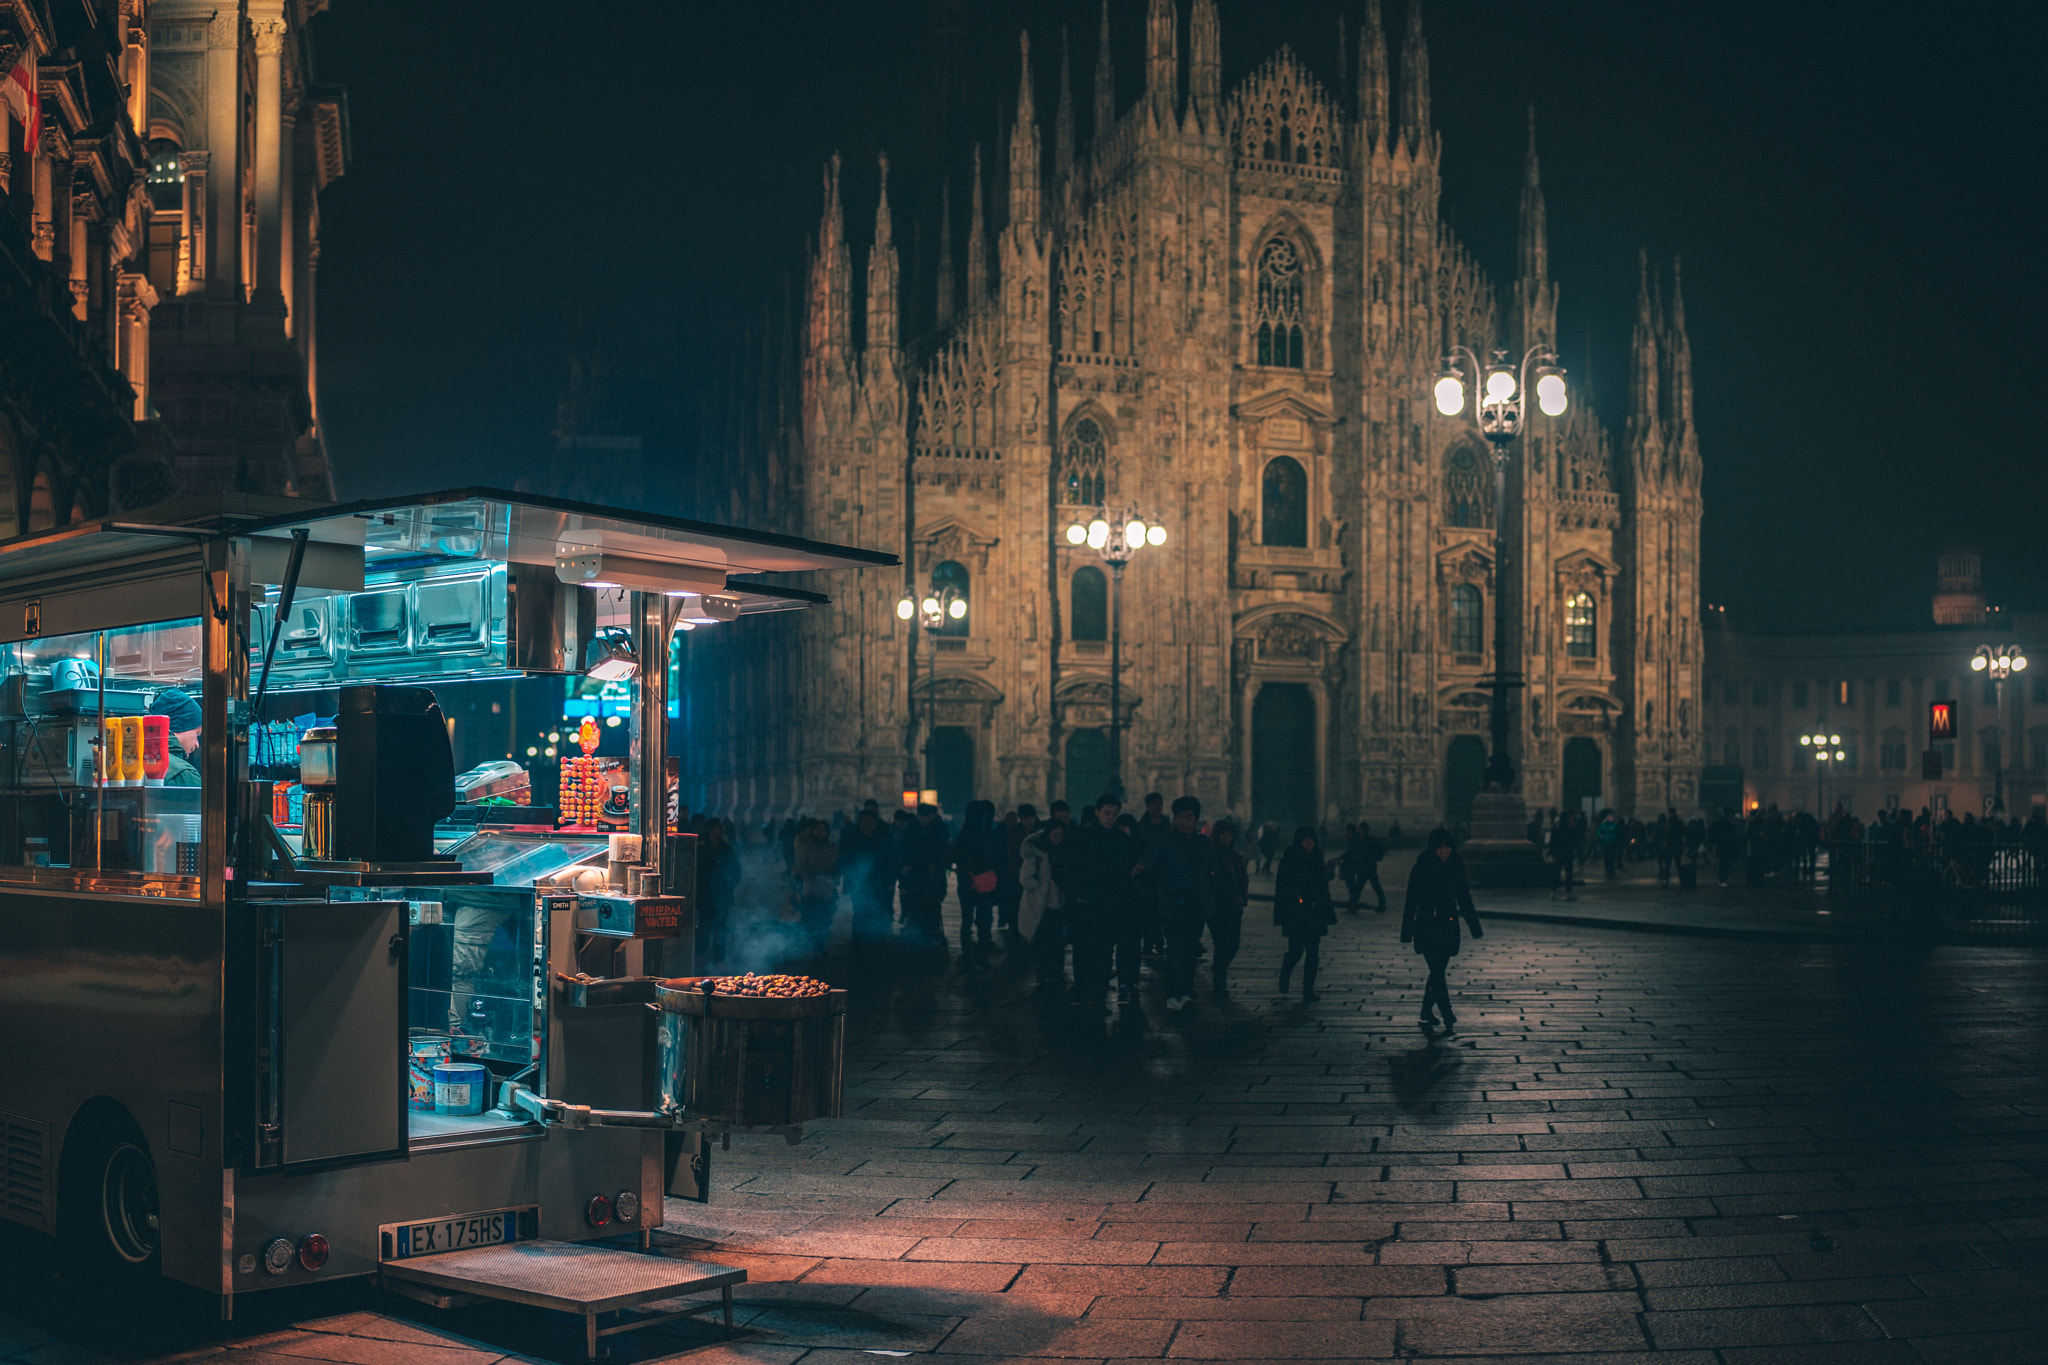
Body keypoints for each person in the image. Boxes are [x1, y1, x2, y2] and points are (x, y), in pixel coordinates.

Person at [1056, 792, 1143, 1008]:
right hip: (1085, 905)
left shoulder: (1122, 839)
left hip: (1109, 907)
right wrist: (1076, 891)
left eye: (1114, 814)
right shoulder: (1080, 837)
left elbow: (1126, 872)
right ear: (1097, 812)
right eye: (1106, 813)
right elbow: (1064, 868)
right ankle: (1084, 990)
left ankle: (1098, 994)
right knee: (1084, 951)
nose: (1110, 818)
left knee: (1105, 952)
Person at [1133, 796, 1218, 1011]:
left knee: (1190, 949)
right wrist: (1140, 866)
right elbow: (1149, 858)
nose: (1184, 822)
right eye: (1180, 817)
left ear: (1196, 819)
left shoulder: (1205, 844)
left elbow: (1214, 873)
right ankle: (1172, 993)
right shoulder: (1165, 840)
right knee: (1174, 949)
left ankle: (1187, 991)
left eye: (1188, 817)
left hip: (1196, 904)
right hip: (1171, 904)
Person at [1401, 828, 1484, 1029]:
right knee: (1437, 971)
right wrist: (1407, 930)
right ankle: (1447, 1013)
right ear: (1433, 848)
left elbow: (1464, 898)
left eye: (1447, 847)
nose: (1445, 851)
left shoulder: (1456, 866)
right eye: (1440, 847)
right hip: (1426, 925)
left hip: (1448, 925)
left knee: (1437, 971)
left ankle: (1425, 1012)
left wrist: (1474, 926)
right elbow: (1411, 900)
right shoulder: (1421, 867)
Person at [1273, 826, 1335, 1003]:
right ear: (1299, 841)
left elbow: (1322, 883)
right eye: (1306, 840)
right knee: (1296, 949)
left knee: (1313, 953)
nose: (1309, 843)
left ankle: (1308, 990)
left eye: (1312, 840)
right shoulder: (1289, 859)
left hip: (1315, 913)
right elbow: (1282, 887)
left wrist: (1329, 872)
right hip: (1295, 912)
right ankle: (1286, 971)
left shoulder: (1317, 857)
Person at [1018, 816, 1069, 987]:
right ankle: (1043, 971)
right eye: (1055, 835)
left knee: (1057, 940)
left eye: (1061, 835)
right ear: (1048, 835)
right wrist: (1039, 886)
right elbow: (1025, 878)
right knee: (1043, 940)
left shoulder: (1064, 852)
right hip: (1042, 904)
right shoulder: (1037, 853)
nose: (1058, 839)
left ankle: (1054, 971)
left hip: (1059, 903)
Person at [951, 800, 1003, 968]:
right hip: (981, 883)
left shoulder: (964, 834)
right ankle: (980, 956)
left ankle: (969, 956)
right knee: (982, 920)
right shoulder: (987, 834)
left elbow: (955, 857)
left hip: (969, 883)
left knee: (969, 919)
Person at [838, 808, 899, 946]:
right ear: (859, 823)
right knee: (860, 913)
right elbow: (844, 860)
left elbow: (891, 861)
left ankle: (875, 943)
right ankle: (859, 943)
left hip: (878, 883)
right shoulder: (851, 838)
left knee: (877, 912)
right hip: (859, 884)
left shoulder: (882, 839)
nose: (867, 825)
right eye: (864, 822)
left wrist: (889, 880)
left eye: (870, 822)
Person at [898, 803, 952, 954]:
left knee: (932, 905)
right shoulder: (911, 830)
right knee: (917, 905)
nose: (925, 820)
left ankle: (931, 933)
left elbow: (942, 849)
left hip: (932, 874)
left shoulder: (937, 828)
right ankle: (918, 935)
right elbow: (905, 850)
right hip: (916, 874)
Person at [1207, 820, 1249, 1000]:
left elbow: (1243, 879)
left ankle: (1218, 968)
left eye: (1229, 834)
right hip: (1216, 907)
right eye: (1223, 834)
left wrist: (1242, 899)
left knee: (1233, 944)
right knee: (1221, 944)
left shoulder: (1236, 856)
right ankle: (1219, 987)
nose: (1226, 837)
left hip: (1233, 907)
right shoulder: (1210, 856)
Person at [792, 818, 838, 948]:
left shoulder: (832, 847)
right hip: (811, 886)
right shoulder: (806, 847)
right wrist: (809, 878)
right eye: (818, 830)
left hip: (827, 886)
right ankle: (812, 942)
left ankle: (820, 941)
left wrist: (834, 878)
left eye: (824, 830)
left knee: (825, 915)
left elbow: (836, 865)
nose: (821, 833)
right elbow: (800, 865)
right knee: (811, 915)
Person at [148, 687, 203, 786]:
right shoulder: (184, 775)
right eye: (197, 733)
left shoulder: (139, 762)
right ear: (181, 725)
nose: (197, 744)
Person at [1340, 821, 1389, 913]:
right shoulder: (1364, 840)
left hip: (1367, 868)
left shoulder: (1367, 841)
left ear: (1362, 830)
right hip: (1366, 868)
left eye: (1359, 829)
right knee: (1370, 886)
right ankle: (1354, 903)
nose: (1357, 830)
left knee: (1364, 886)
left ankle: (1353, 903)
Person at [1548, 809, 1579, 900]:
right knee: (1569, 873)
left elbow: (1552, 841)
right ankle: (1568, 893)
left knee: (1556, 873)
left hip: (1558, 853)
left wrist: (1552, 852)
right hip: (1567, 853)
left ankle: (1553, 892)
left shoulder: (1555, 827)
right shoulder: (1568, 827)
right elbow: (1571, 840)